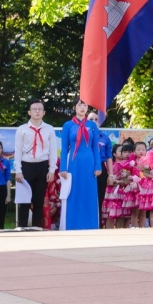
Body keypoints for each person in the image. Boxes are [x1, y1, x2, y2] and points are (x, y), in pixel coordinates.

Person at [13, 99, 58, 229]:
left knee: (38, 200)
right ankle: (21, 227)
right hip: (26, 166)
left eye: (40, 109)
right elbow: (18, 151)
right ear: (29, 112)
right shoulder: (22, 129)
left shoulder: (49, 129)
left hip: (42, 166)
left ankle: (36, 227)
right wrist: (18, 170)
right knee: (24, 200)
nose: (37, 111)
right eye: (34, 109)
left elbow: (53, 151)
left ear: (44, 112)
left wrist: (51, 170)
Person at [61, 99, 103, 231]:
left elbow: (95, 148)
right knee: (74, 193)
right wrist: (63, 167)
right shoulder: (68, 125)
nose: (82, 107)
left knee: (89, 193)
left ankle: (90, 224)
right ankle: (72, 224)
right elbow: (64, 148)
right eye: (79, 104)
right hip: (74, 163)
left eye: (84, 105)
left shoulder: (92, 125)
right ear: (74, 107)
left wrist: (98, 166)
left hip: (89, 163)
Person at [88, 110, 113, 227]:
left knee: (99, 198)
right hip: (85, 168)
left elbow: (109, 157)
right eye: (91, 119)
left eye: (96, 119)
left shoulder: (105, 138)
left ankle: (96, 225)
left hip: (101, 169)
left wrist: (111, 175)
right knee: (86, 197)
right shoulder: (82, 137)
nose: (93, 122)